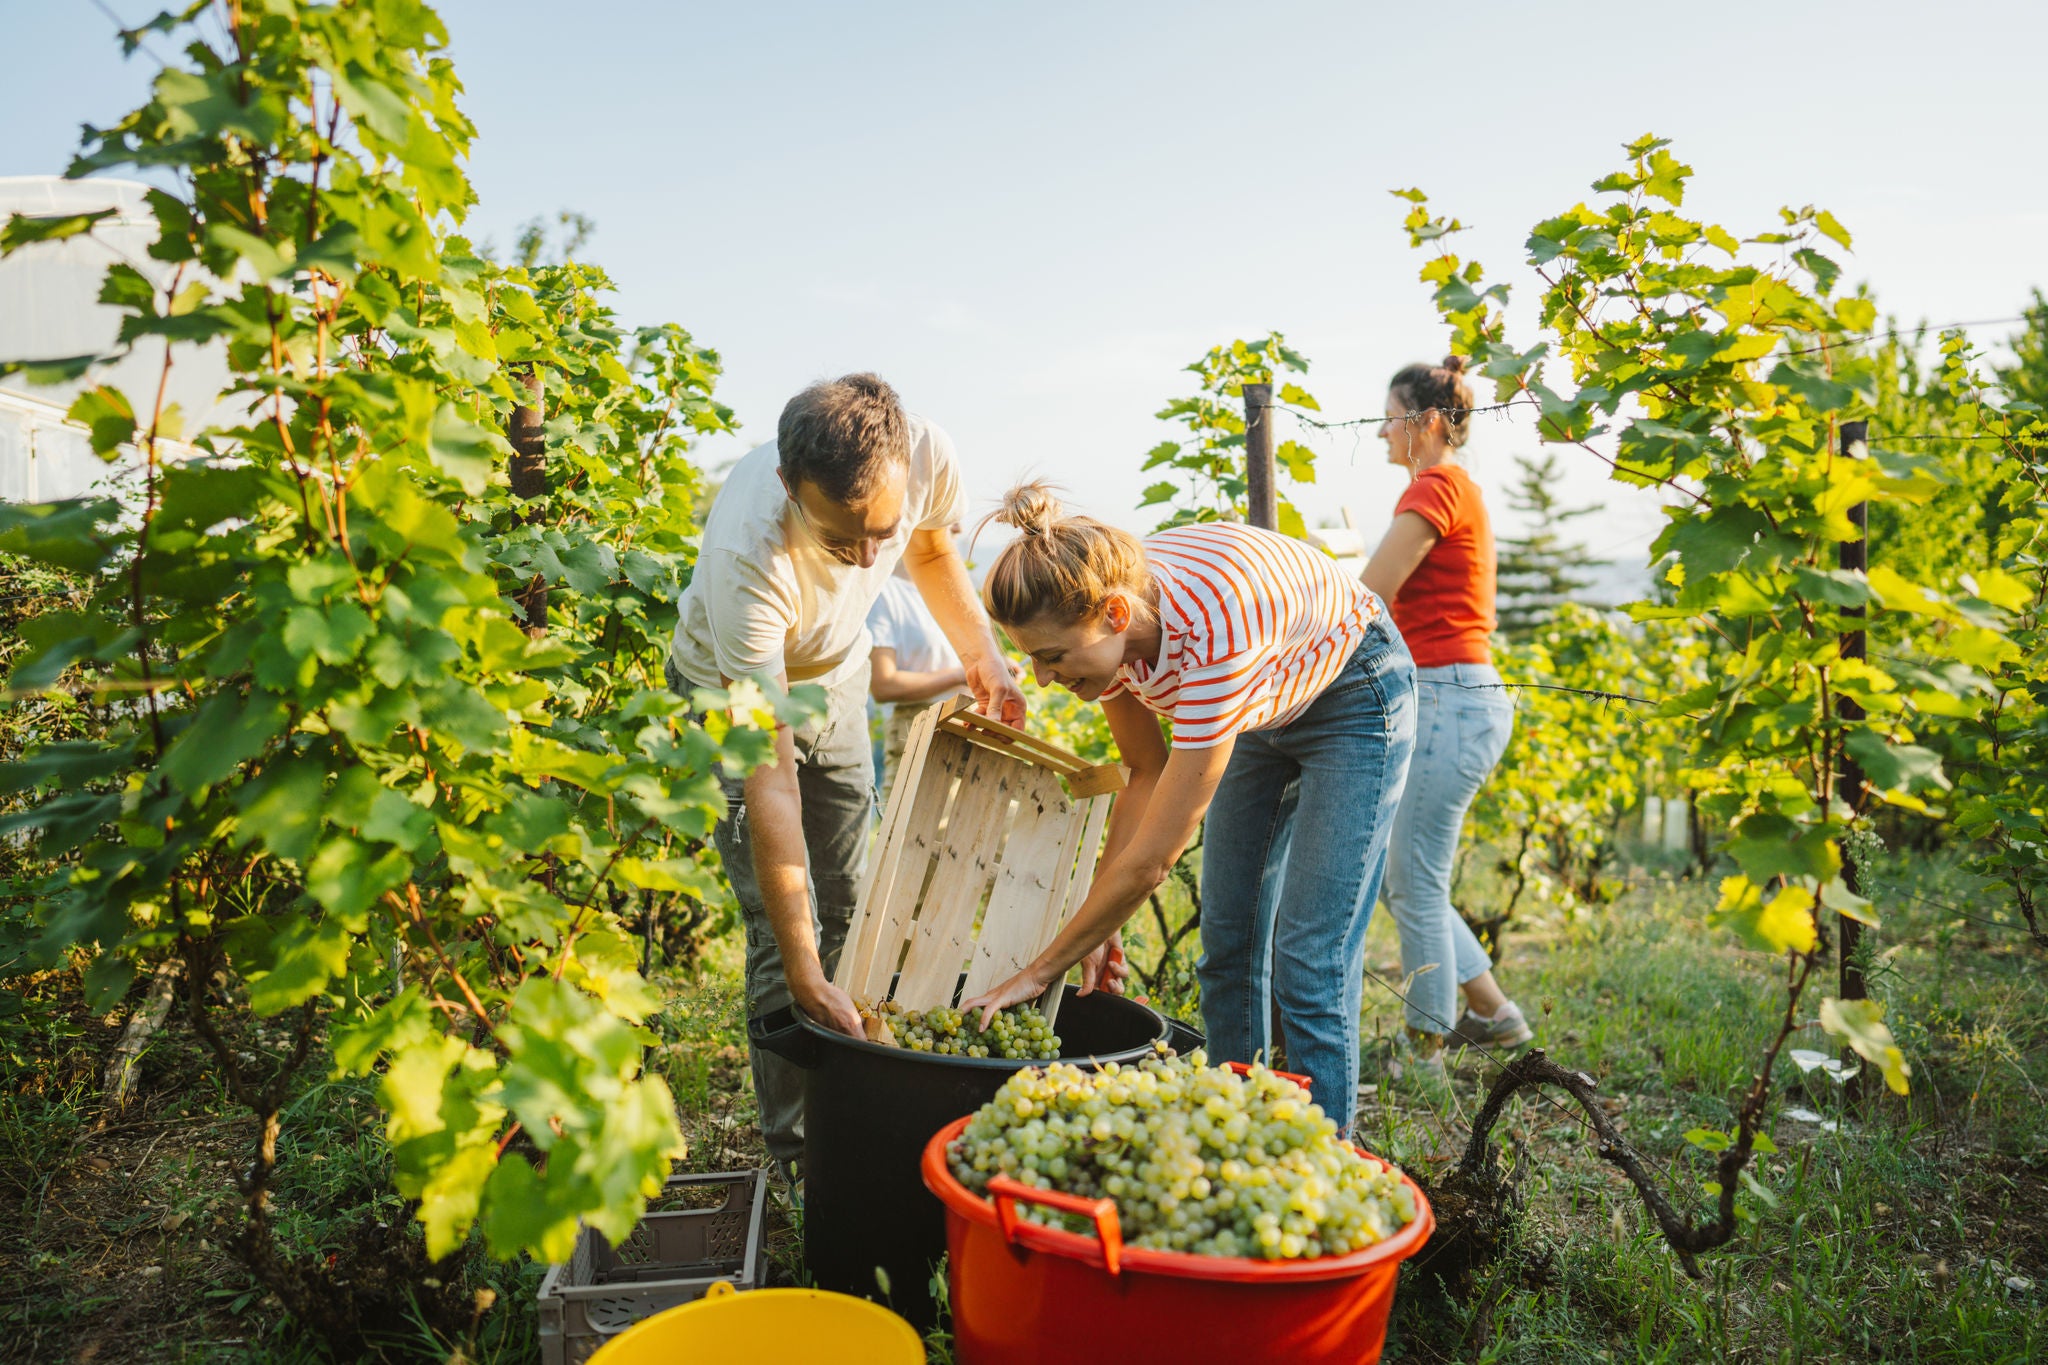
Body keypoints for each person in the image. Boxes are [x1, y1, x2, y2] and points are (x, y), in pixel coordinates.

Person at [962, 484, 1415, 1134]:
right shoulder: (1111, 634)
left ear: (1117, 614)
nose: (1041, 678)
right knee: (1227, 942)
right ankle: (1235, 1130)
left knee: (1309, 955)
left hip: (1354, 690)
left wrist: (1039, 971)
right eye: (1031, 656)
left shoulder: (1213, 640)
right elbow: (1144, 770)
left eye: (1051, 656)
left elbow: (1152, 862)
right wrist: (1103, 922)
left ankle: (1321, 1161)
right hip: (1262, 703)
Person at [667, 374, 1026, 1169]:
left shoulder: (926, 451)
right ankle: (796, 1153)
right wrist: (805, 972)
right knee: (781, 925)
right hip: (732, 692)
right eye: (841, 541)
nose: (869, 558)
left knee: (852, 899)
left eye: (879, 531)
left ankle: (861, 1104)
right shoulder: (746, 559)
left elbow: (929, 548)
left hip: (836, 675)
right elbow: (770, 778)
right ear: (791, 487)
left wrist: (983, 658)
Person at [1360, 355, 1535, 1077]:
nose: (1379, 433)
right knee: (1415, 878)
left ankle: (1424, 1048)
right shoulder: (1450, 487)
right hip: (1455, 698)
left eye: (1391, 417)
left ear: (1428, 422)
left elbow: (1369, 593)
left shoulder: (1435, 485)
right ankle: (1494, 1013)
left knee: (1413, 881)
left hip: (1448, 697)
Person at [867, 556, 969, 789]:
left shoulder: (953, 590)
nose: (958, 527)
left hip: (965, 725)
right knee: (911, 821)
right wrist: (962, 675)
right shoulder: (884, 593)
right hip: (918, 729)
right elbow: (884, 685)